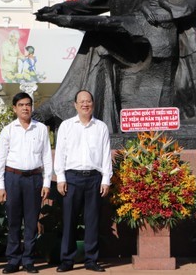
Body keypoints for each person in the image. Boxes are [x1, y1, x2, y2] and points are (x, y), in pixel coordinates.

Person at [40, 0, 196, 111]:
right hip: (133, 43)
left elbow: (186, 8)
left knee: (105, 31)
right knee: (97, 37)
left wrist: (164, 1)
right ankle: (66, 104)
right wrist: (63, 13)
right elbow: (91, 8)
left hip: (168, 57)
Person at [54, 90, 112, 273]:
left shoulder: (101, 127)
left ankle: (91, 260)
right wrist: (60, 178)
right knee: (69, 220)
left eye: (88, 101)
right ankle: (67, 260)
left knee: (92, 221)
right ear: (75, 104)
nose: (85, 104)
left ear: (92, 104)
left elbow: (105, 154)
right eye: (81, 101)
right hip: (72, 178)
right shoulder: (66, 126)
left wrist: (106, 180)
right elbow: (60, 153)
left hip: (94, 178)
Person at [0, 92, 52, 274]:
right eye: (21, 105)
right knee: (13, 221)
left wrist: (47, 183)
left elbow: (46, 157)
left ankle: (28, 260)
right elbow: (1, 160)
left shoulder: (41, 129)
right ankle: (13, 259)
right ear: (14, 108)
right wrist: (0, 186)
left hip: (34, 179)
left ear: (32, 107)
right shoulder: (8, 130)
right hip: (13, 178)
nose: (25, 108)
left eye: (28, 104)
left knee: (31, 221)